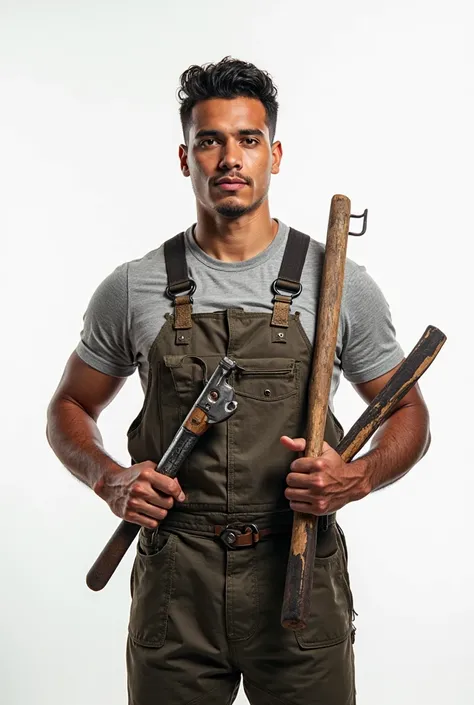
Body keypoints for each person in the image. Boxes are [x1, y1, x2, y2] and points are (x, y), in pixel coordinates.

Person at [46, 56, 430, 705]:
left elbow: (410, 413)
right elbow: (70, 405)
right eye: (210, 140)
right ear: (185, 158)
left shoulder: (337, 281)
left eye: (248, 139)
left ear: (274, 154)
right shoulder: (134, 287)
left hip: (299, 571)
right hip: (176, 587)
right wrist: (108, 478)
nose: (230, 158)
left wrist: (356, 476)